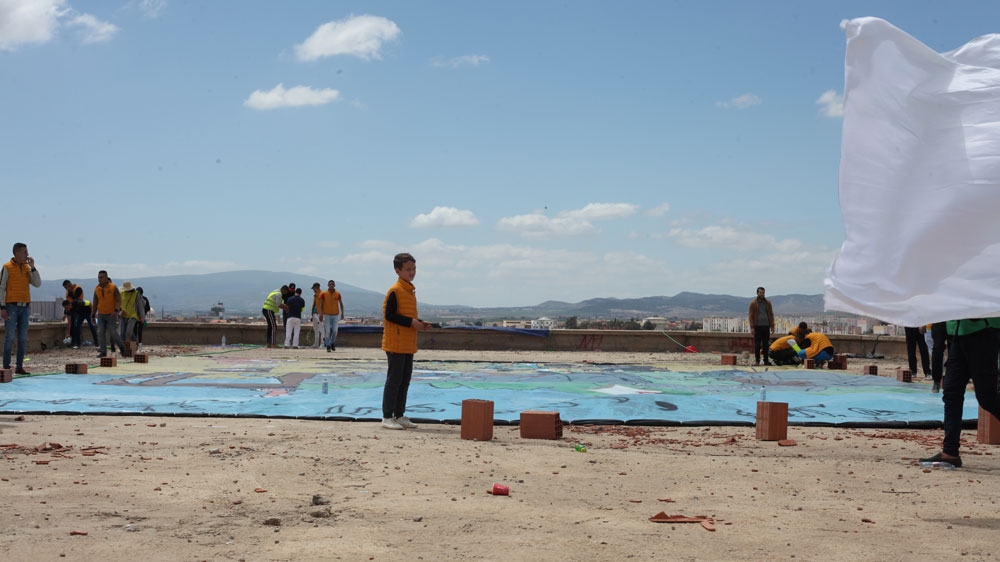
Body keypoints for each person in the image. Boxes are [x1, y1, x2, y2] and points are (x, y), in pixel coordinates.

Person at [921, 318, 1000, 468]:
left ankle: (950, 452)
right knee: (951, 393)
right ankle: (950, 453)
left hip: (982, 331)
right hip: (958, 333)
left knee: (987, 398)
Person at [380, 253, 431, 430]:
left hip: (408, 343)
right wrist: (411, 322)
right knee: (394, 380)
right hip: (396, 343)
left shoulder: (409, 291)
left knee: (404, 380)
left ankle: (399, 414)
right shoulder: (395, 291)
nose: (412, 272)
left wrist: (419, 323)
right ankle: (387, 416)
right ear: (398, 270)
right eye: (408, 269)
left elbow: (407, 315)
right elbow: (390, 315)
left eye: (414, 269)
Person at [1, 243, 41, 374]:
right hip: (11, 306)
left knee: (23, 337)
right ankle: (6, 366)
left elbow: (37, 284)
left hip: (25, 307)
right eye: (25, 252)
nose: (27, 254)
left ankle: (19, 366)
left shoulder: (26, 268)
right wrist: (2, 307)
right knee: (10, 336)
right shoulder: (7, 267)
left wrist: (33, 268)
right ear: (17, 253)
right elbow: (1, 288)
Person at [92, 270, 124, 358]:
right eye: (99, 277)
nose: (100, 279)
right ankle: (103, 351)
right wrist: (93, 314)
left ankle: (121, 347)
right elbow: (95, 302)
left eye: (101, 277)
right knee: (100, 332)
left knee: (113, 332)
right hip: (101, 314)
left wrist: (116, 310)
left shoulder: (113, 287)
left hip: (111, 314)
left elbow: (118, 300)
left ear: (106, 278)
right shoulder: (96, 289)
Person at [748, 286, 774, 366]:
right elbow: (750, 316)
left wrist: (772, 325)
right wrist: (752, 327)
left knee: (766, 345)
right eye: (760, 293)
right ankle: (757, 361)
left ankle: (766, 361)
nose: (762, 294)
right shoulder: (753, 303)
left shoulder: (768, 303)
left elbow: (771, 314)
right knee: (757, 344)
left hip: (766, 326)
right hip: (757, 326)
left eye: (763, 293)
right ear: (757, 293)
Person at [319, 279, 345, 352]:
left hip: (335, 315)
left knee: (334, 331)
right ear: (328, 285)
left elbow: (341, 303)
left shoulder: (337, 294)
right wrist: (321, 313)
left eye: (332, 284)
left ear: (334, 285)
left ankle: (332, 342)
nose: (331, 285)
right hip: (327, 315)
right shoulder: (323, 294)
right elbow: (321, 304)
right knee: (327, 331)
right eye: (330, 284)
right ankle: (328, 345)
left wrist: (342, 313)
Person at [119, 281, 145, 349]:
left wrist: (142, 316)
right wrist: (120, 312)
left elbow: (140, 306)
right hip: (123, 315)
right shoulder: (121, 293)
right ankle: (123, 348)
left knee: (129, 332)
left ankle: (135, 344)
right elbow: (118, 304)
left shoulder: (136, 294)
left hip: (132, 315)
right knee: (122, 333)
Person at [929, 321, 948, 393]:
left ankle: (951, 379)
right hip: (939, 321)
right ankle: (936, 381)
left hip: (953, 321)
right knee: (937, 349)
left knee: (954, 350)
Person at [310, 282, 323, 349]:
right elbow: (314, 305)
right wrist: (312, 315)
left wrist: (321, 314)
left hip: (319, 313)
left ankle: (322, 343)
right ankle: (316, 343)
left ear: (316, 288)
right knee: (316, 329)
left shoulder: (322, 294)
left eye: (314, 288)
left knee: (321, 328)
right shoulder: (315, 295)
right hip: (314, 313)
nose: (313, 290)